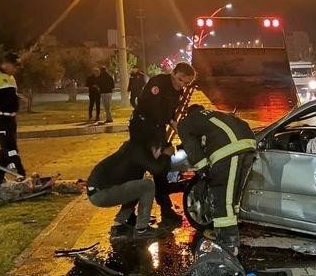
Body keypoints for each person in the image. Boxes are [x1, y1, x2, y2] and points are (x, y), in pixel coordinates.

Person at [177, 104, 256, 253]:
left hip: (228, 152)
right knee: (233, 199)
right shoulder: (217, 114)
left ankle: (228, 244)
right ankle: (229, 234)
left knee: (222, 198)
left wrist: (202, 172)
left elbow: (192, 148)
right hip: (249, 147)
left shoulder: (186, 122)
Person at [129, 62, 196, 227]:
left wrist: (178, 127)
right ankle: (128, 214)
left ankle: (166, 209)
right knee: (138, 170)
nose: (181, 84)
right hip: (142, 128)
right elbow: (151, 109)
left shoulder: (178, 91)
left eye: (186, 83)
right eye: (180, 79)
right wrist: (161, 143)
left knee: (162, 169)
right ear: (173, 73)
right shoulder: (158, 83)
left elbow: (170, 114)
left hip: (157, 129)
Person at [87, 134, 174, 240]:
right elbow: (157, 170)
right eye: (160, 153)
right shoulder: (138, 152)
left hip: (99, 191)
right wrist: (166, 155)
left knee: (138, 187)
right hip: (100, 193)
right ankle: (142, 229)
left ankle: (118, 226)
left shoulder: (135, 149)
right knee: (148, 185)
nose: (158, 157)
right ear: (155, 147)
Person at [0, 52, 26, 184]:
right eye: (15, 66)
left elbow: (11, 95)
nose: (16, 70)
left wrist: (18, 98)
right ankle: (21, 174)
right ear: (6, 63)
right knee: (11, 149)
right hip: (0, 119)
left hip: (12, 119)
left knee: (6, 149)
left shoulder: (11, 78)